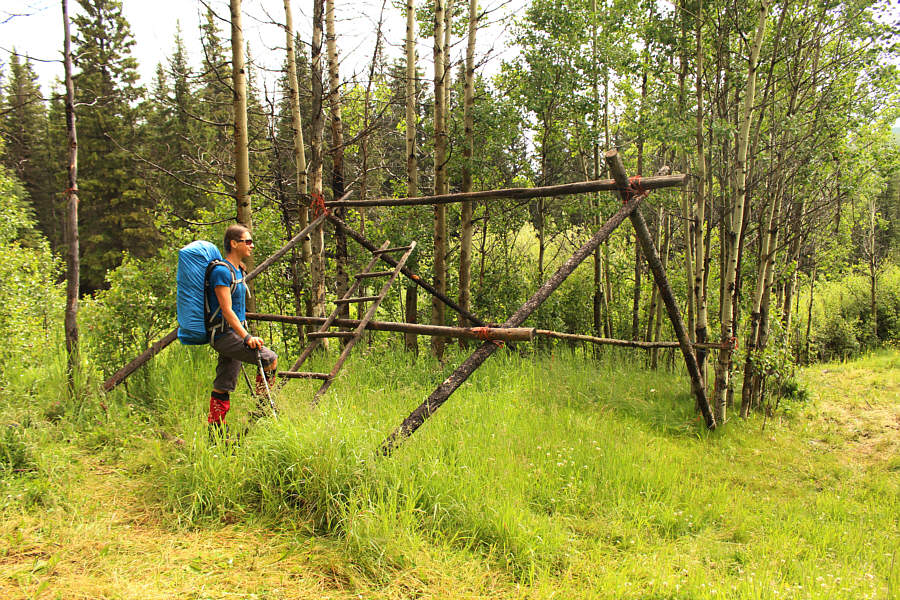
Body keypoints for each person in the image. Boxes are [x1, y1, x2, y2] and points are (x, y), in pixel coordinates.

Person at [206, 224, 277, 439]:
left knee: (223, 384)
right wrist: (246, 337)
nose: (251, 245)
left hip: (233, 333)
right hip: (224, 335)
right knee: (269, 359)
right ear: (233, 244)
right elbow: (226, 310)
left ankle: (216, 432)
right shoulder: (221, 272)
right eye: (247, 241)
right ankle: (263, 411)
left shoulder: (239, 269)